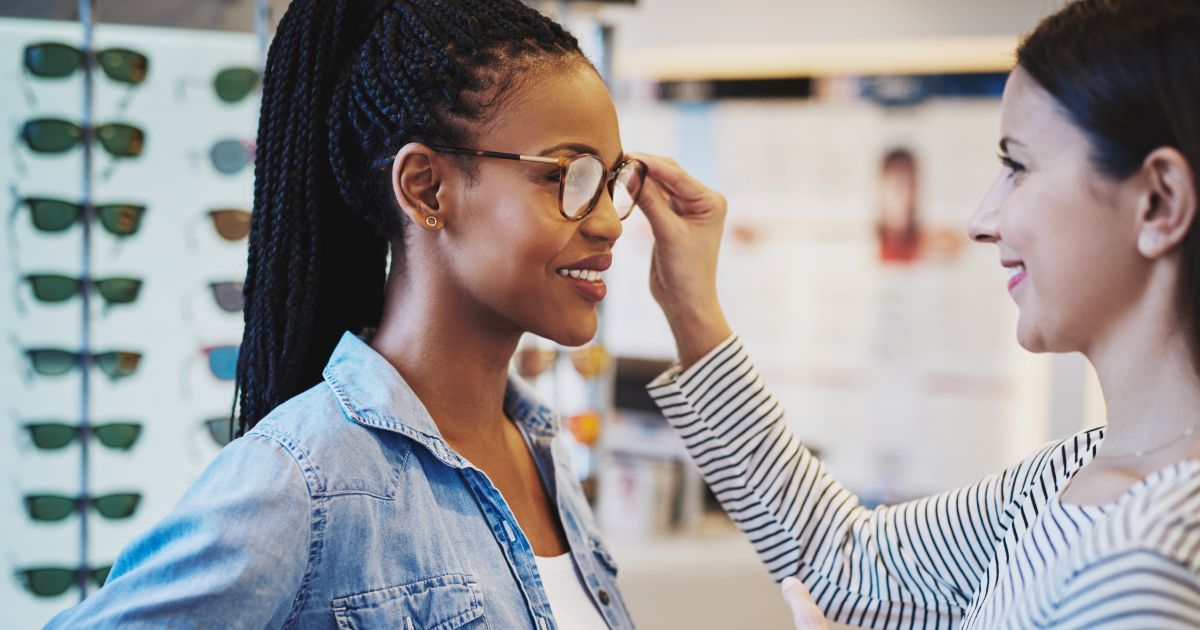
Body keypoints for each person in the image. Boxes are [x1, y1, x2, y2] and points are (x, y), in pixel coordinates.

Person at [46, 0, 645, 627]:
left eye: (610, 179)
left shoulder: (541, 449)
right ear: (425, 188)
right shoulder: (304, 477)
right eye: (566, 177)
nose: (607, 222)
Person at [635, 0, 1200, 627]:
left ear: (1158, 201)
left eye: (1017, 166)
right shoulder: (1067, 472)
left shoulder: (1157, 551)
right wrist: (692, 308)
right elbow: (846, 564)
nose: (982, 221)